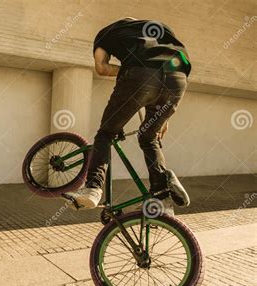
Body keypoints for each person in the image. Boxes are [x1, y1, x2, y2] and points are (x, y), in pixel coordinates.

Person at [64, 17, 190, 214]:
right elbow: (175, 60)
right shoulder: (162, 27)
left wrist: (131, 69)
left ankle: (92, 189)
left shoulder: (106, 32)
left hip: (140, 76)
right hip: (178, 80)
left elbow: (102, 67)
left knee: (106, 134)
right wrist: (165, 118)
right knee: (149, 138)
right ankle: (162, 197)